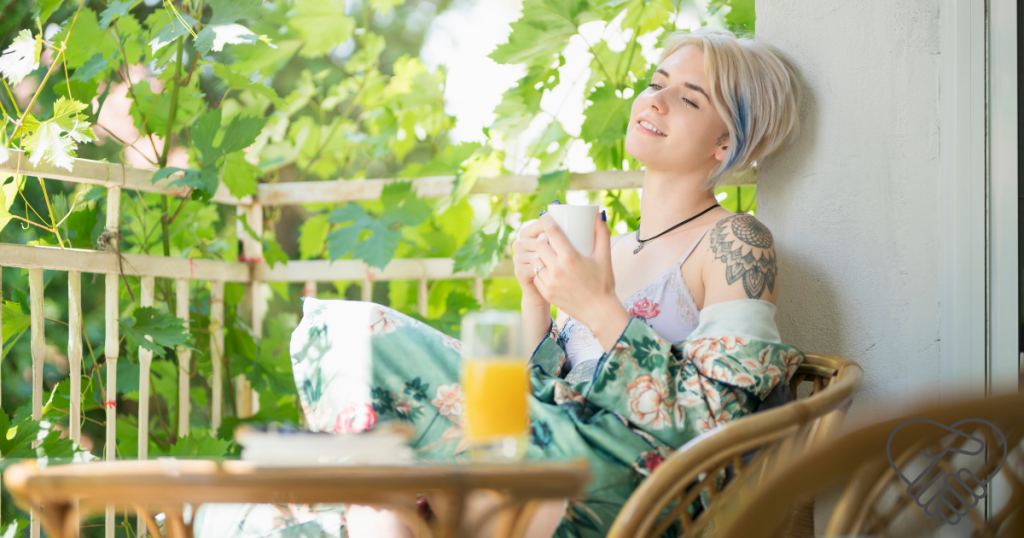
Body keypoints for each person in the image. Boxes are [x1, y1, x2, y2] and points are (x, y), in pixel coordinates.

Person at [193, 25, 805, 538]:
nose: (656, 102)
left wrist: (596, 304)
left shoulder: (735, 242)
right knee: (264, 508)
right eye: (655, 84)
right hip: (538, 450)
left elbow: (718, 419)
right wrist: (536, 301)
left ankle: (371, 490)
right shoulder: (610, 247)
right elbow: (537, 388)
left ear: (726, 141)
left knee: (357, 332)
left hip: (636, 488)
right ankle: (377, 503)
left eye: (689, 99)